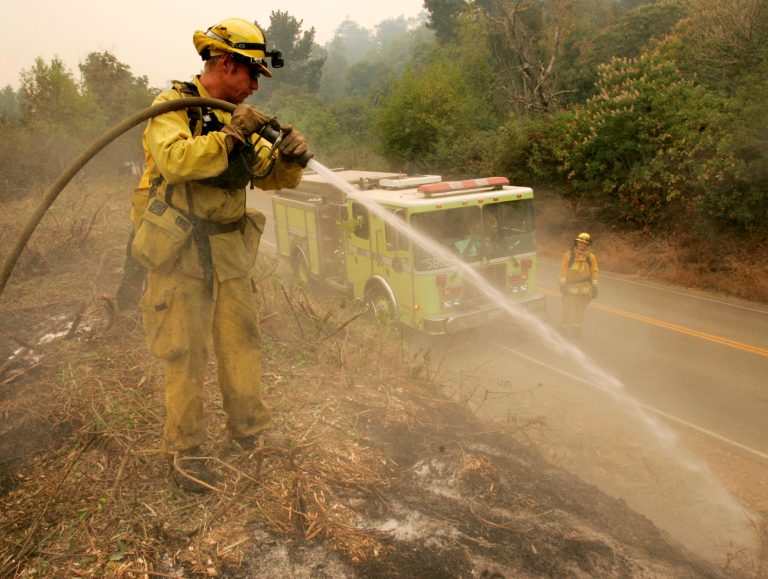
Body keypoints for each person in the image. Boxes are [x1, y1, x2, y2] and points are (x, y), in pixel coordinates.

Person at [133, 18, 308, 492]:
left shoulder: (236, 116)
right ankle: (186, 452)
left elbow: (268, 177)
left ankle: (250, 432)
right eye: (251, 74)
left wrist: (289, 159)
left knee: (241, 342)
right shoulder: (173, 108)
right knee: (185, 351)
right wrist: (232, 135)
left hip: (227, 252)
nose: (254, 87)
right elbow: (174, 160)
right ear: (225, 61)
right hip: (181, 250)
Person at [558, 232, 599, 337]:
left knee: (581, 309)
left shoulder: (591, 257)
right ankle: (563, 327)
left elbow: (594, 271)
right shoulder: (569, 255)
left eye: (585, 243)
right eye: (580, 242)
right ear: (576, 243)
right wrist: (562, 285)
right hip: (570, 287)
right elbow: (563, 271)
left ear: (588, 245)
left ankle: (577, 328)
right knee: (568, 308)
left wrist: (594, 287)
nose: (582, 245)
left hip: (585, 288)